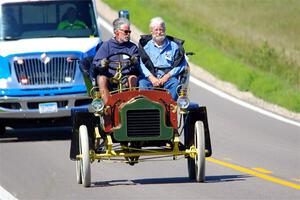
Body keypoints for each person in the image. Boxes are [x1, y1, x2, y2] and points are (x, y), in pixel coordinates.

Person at [138, 17, 187, 100]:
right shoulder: (146, 47)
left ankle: (170, 109)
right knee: (142, 83)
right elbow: (141, 64)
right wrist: (152, 78)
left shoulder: (174, 46)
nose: (159, 32)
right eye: (156, 30)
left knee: (176, 84)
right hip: (150, 77)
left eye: (161, 29)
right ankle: (147, 108)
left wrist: (167, 77)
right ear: (151, 31)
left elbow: (182, 64)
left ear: (165, 30)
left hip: (168, 78)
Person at [92, 17, 139, 103]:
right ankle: (108, 107)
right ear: (116, 32)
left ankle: (130, 105)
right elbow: (95, 62)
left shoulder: (132, 47)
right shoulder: (106, 46)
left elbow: (137, 64)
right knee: (102, 79)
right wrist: (102, 63)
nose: (128, 34)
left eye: (129, 32)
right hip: (110, 77)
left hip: (126, 77)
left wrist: (134, 61)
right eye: (125, 32)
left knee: (133, 78)